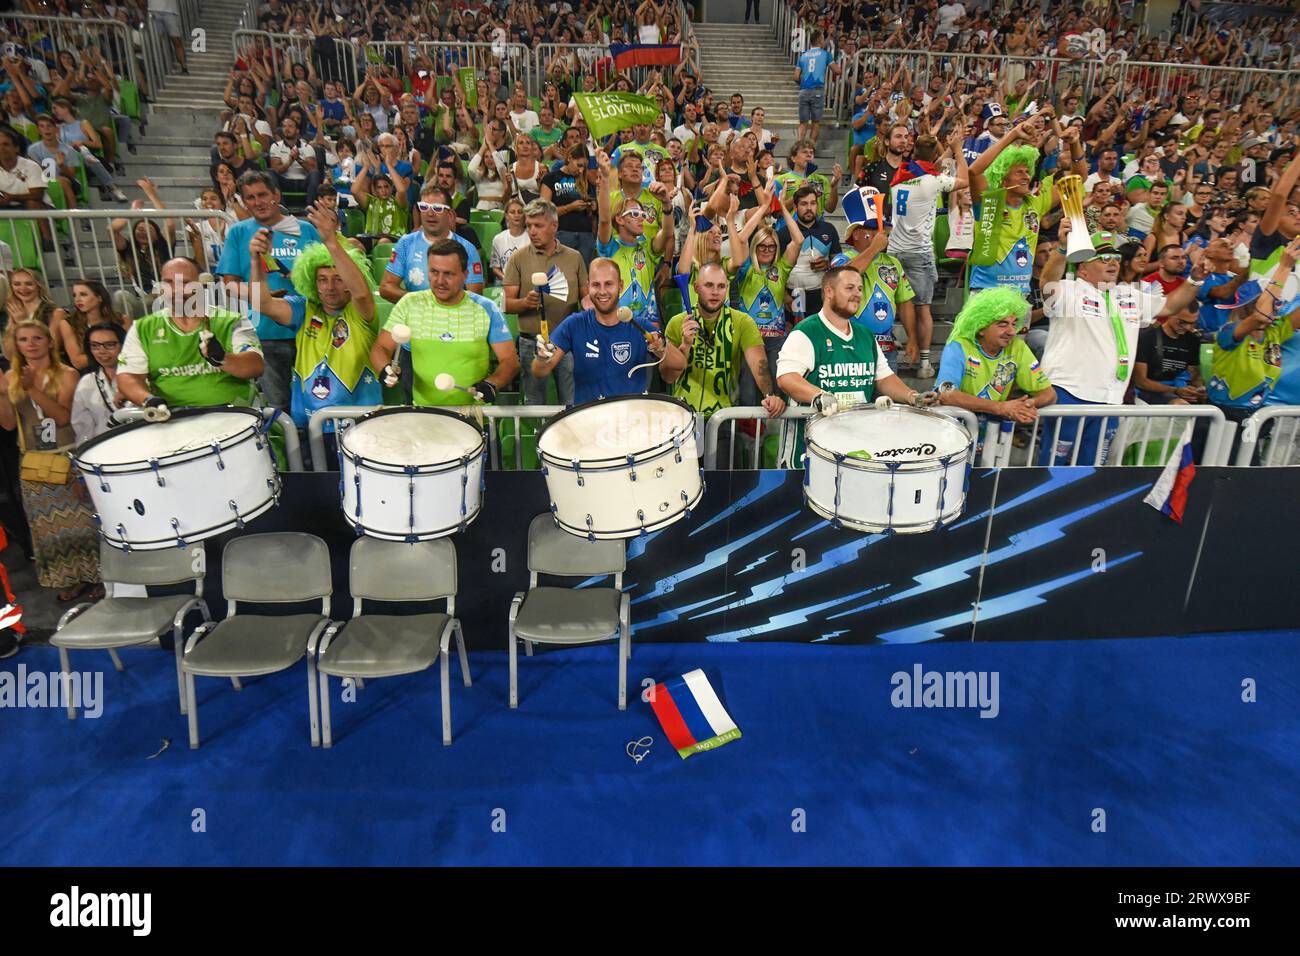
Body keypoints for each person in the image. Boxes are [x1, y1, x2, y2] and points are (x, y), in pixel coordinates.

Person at [1036, 227, 1201, 465]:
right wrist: (1062, 250)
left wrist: (1195, 279)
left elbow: (1170, 306)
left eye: (1115, 258)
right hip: (1070, 392)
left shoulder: (1129, 294)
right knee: (1054, 465)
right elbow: (1047, 281)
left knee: (1092, 467)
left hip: (1111, 397)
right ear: (1082, 268)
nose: (1112, 263)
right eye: (1103, 259)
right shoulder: (1069, 290)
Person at [776, 266, 939, 466]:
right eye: (850, 288)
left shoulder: (865, 335)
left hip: (854, 446)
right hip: (809, 450)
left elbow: (885, 378)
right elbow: (786, 378)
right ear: (829, 291)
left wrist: (912, 396)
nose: (857, 294)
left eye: (860, 289)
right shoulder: (806, 332)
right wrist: (819, 395)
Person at [248, 204, 380, 436]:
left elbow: (360, 293)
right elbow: (263, 304)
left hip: (360, 425)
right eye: (322, 279)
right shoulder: (304, 308)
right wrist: (255, 261)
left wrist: (331, 242)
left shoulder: (360, 311)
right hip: (310, 423)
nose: (330, 287)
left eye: (338, 279)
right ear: (312, 282)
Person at [0, 318, 100, 602]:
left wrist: (32, 389)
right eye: (23, 340)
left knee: (83, 522)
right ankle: (72, 578)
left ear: (50, 342)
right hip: (32, 460)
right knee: (50, 529)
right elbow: (8, 425)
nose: (30, 345)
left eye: (36, 338)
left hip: (65, 455)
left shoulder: (66, 374)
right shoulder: (11, 378)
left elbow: (62, 417)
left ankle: (100, 576)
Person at [217, 171, 323, 411]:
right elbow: (229, 285)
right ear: (244, 202)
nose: (258, 202)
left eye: (263, 194)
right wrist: (260, 296)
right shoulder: (238, 233)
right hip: (264, 332)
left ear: (276, 194)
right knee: (278, 404)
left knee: (316, 397)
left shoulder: (305, 230)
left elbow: (324, 273)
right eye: (250, 197)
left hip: (310, 329)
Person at [370, 239, 519, 407]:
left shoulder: (487, 308)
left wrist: (492, 383)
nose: (440, 281)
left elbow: (509, 361)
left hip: (472, 417)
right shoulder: (409, 303)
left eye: (448, 274)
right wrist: (385, 369)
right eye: (434, 272)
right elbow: (381, 348)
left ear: (465, 274)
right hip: (424, 414)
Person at [117, 258, 265, 409]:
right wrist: (149, 400)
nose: (176, 290)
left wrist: (222, 358)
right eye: (168, 282)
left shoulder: (232, 321)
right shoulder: (142, 328)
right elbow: (128, 376)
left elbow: (255, 366)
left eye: (185, 283)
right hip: (170, 418)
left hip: (234, 416)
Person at [531, 258, 683, 404]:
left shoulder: (639, 326)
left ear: (621, 285)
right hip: (589, 422)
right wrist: (542, 358)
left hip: (631, 423)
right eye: (596, 285)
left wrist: (662, 348)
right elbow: (540, 371)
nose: (602, 291)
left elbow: (680, 364)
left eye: (609, 284)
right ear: (588, 286)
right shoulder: (574, 324)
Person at [969, 124, 1084, 295]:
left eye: (1027, 171)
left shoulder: (1035, 203)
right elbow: (974, 172)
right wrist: (1012, 135)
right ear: (1003, 179)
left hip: (1021, 294)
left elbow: (1077, 178)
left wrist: (1075, 144)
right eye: (1019, 172)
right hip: (986, 291)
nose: (1026, 176)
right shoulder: (990, 203)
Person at [888, 129, 968, 377]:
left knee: (896, 303)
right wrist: (957, 150)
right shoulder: (933, 181)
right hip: (919, 252)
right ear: (933, 155)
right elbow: (964, 180)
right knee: (923, 307)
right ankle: (923, 363)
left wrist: (942, 148)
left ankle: (894, 345)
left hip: (894, 250)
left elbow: (928, 166)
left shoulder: (901, 176)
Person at [661, 262, 784, 420]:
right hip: (683, 417)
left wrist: (770, 395)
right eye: (709, 285)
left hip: (725, 417)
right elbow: (667, 377)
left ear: (727, 289)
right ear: (696, 288)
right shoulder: (677, 323)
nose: (715, 292)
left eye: (721, 286)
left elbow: (759, 364)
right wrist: (685, 346)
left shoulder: (742, 322)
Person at [936, 287, 1057, 446]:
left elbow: (1049, 395)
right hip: (950, 435)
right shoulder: (959, 346)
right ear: (981, 327)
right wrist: (1001, 407)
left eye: (1014, 324)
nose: (1011, 331)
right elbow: (946, 393)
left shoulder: (1017, 347)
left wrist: (1022, 407)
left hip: (988, 437)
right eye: (1002, 324)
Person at [503, 198, 588, 406]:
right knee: (534, 402)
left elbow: (585, 298)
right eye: (529, 226)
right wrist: (525, 302)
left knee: (569, 402)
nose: (532, 231)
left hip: (565, 341)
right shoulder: (517, 258)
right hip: (530, 341)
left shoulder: (574, 257)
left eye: (538, 226)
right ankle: (534, 439)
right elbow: (506, 304)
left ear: (554, 226)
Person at [1208, 239, 1300, 424]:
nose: (1277, 304)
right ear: (1246, 306)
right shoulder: (1229, 333)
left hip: (1259, 416)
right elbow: (1261, 315)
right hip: (1224, 418)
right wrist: (1284, 267)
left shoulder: (1275, 331)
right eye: (1270, 299)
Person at [596, 148, 673, 331]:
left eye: (642, 213)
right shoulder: (610, 248)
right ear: (620, 219)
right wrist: (606, 178)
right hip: (616, 324)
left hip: (648, 327)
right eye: (634, 214)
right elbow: (605, 220)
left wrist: (666, 204)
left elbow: (667, 233)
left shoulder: (647, 246)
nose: (640, 218)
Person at [781, 185, 841, 321]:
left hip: (821, 295)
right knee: (796, 335)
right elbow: (775, 269)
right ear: (795, 208)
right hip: (793, 294)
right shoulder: (784, 232)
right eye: (804, 204)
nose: (809, 208)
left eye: (813, 203)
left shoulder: (829, 229)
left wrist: (828, 265)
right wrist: (784, 296)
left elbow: (839, 265)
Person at [1133, 304, 1206, 405]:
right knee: (1180, 405)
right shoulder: (1147, 337)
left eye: (1193, 323)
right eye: (1182, 322)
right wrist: (1175, 390)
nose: (1188, 327)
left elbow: (1194, 375)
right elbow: (1141, 382)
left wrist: (1199, 389)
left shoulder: (1192, 340)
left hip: (1178, 390)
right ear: (1170, 314)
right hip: (1149, 390)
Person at [70, 322, 127, 443]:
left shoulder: (141, 378)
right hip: (105, 451)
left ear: (124, 345)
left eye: (110, 345)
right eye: (95, 346)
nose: (102, 351)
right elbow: (83, 430)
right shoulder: (87, 383)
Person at [793, 29, 833, 145]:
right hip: (817, 91)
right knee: (815, 122)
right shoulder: (826, 54)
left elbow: (795, 77)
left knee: (803, 123)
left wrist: (805, 84)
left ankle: (799, 148)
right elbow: (837, 70)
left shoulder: (803, 56)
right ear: (820, 40)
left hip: (803, 91)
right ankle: (810, 149)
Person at [490, 198, 531, 284]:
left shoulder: (532, 237)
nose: (516, 215)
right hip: (504, 281)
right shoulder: (498, 239)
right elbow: (495, 268)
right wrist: (506, 279)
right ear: (506, 215)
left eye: (520, 212)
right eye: (512, 212)